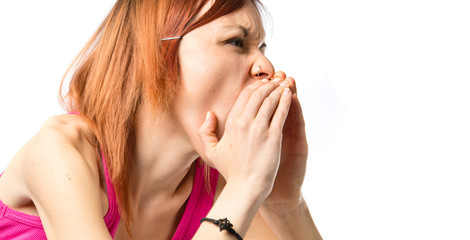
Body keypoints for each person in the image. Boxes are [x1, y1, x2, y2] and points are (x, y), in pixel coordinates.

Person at [0, 0, 322, 239]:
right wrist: (246, 186)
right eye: (237, 42)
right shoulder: (60, 153)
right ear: (155, 56)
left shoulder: (220, 187)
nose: (266, 66)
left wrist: (284, 203)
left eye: (262, 47)